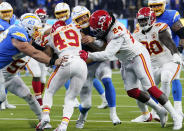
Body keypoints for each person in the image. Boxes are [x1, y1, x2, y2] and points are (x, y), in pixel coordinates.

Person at [80, 10, 183, 130]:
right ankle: (159, 110)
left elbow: (107, 54)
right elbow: (104, 44)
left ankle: (175, 117)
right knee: (132, 91)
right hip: (125, 60)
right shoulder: (109, 26)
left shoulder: (117, 32)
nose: (96, 31)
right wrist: (93, 40)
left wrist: (89, 55)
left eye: (98, 28)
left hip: (138, 56)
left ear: (105, 24)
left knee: (150, 87)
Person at [0, 13, 66, 127]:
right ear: (28, 27)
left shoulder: (27, 38)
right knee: (1, 96)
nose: (37, 32)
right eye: (36, 29)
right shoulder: (18, 31)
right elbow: (32, 51)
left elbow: (39, 50)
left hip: (10, 75)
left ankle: (43, 121)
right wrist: (52, 61)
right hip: (1, 71)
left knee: (29, 96)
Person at [71, 5, 121, 128]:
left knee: (107, 80)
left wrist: (92, 40)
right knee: (86, 104)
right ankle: (82, 118)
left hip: (99, 61)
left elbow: (104, 48)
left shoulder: (97, 24)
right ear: (74, 21)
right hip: (85, 67)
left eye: (84, 17)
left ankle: (113, 114)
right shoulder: (72, 32)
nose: (83, 20)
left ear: (89, 15)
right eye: (79, 19)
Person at [131, 7, 182, 123]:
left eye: (145, 20)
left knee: (166, 78)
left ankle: (161, 109)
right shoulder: (137, 33)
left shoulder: (160, 28)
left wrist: (175, 54)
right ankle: (145, 115)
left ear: (152, 18)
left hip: (166, 62)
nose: (143, 22)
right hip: (152, 66)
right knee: (139, 91)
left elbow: (169, 41)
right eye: (141, 20)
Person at [36, 20, 88, 131]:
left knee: (49, 91)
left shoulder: (51, 35)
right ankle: (63, 125)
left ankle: (45, 115)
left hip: (66, 61)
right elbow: (85, 36)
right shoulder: (74, 27)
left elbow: (48, 56)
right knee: (71, 98)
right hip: (81, 63)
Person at [148, 0, 184, 117]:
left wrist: (179, 49)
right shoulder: (147, 17)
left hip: (172, 53)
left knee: (173, 78)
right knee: (150, 83)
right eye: (153, 6)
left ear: (164, 4)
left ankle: (177, 109)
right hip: (156, 55)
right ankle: (157, 110)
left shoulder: (170, 16)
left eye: (158, 5)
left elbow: (182, 33)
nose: (156, 8)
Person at [26, 8, 51, 106]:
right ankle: (39, 101)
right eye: (39, 17)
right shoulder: (30, 27)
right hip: (31, 54)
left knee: (43, 79)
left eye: (43, 17)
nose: (42, 19)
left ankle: (39, 99)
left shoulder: (49, 27)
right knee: (36, 74)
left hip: (42, 54)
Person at [0, 1, 16, 109]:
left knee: (8, 78)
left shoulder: (14, 19)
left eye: (8, 11)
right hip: (2, 53)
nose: (6, 14)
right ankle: (2, 102)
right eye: (4, 12)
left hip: (11, 52)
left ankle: (5, 101)